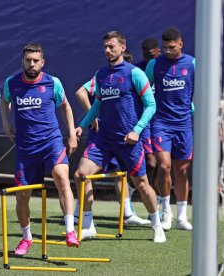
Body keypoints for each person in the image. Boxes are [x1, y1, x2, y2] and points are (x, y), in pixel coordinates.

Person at [74, 31, 166, 243]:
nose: (107, 50)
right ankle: (88, 226)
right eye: (105, 46)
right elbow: (98, 104)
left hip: (129, 140)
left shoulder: (135, 73)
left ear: (122, 48)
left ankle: (156, 224)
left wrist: (137, 130)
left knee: (141, 184)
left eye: (112, 46)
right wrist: (82, 125)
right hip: (104, 139)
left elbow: (151, 105)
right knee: (81, 174)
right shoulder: (101, 74)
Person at [0, 42, 80, 256]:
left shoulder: (53, 83)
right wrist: (6, 123)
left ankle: (70, 231)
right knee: (23, 196)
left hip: (51, 142)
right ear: (22, 61)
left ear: (42, 62)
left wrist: (71, 135)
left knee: (61, 176)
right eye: (28, 60)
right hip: (26, 148)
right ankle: (26, 238)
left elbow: (66, 106)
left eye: (36, 61)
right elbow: (3, 101)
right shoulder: (12, 83)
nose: (32, 64)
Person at [145, 28, 195, 231]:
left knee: (181, 171)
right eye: (165, 48)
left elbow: (204, 90)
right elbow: (144, 90)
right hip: (161, 123)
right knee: (163, 166)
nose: (168, 51)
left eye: (172, 47)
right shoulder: (154, 64)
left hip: (184, 123)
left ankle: (182, 217)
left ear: (180, 44)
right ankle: (166, 211)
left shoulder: (193, 63)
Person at [132, 38, 162, 210]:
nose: (148, 59)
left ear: (158, 52)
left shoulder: (162, 67)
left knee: (163, 163)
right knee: (150, 162)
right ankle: (132, 190)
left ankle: (157, 197)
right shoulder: (137, 70)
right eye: (145, 55)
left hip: (161, 121)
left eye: (151, 55)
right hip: (143, 123)